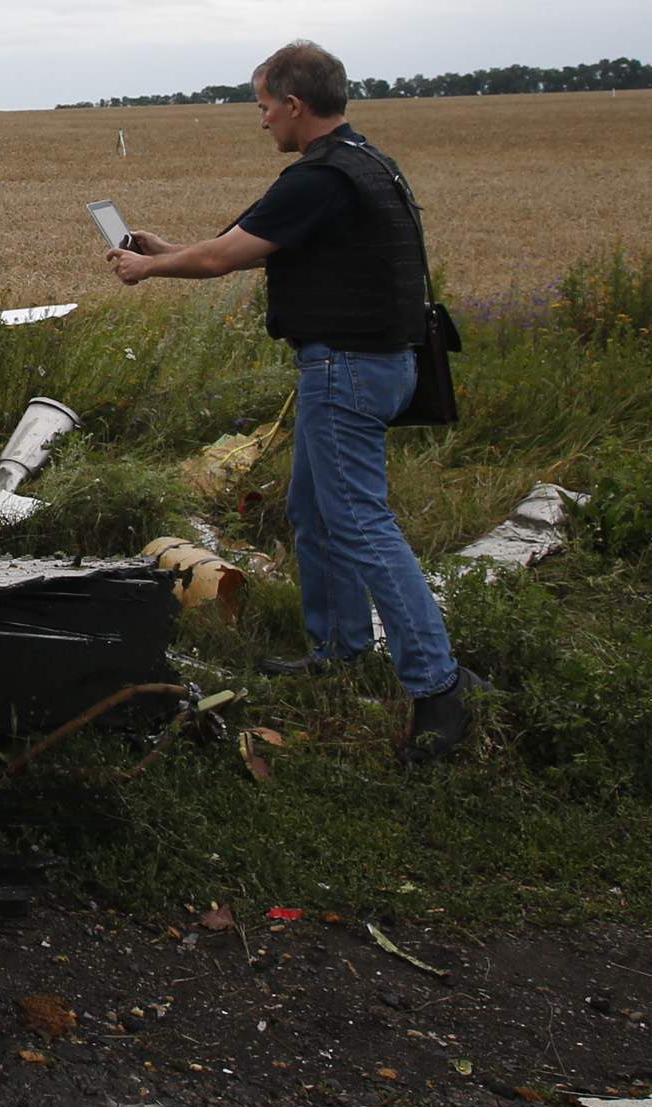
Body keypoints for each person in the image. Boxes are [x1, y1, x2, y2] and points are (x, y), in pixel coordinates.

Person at [103, 41, 484, 762]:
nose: (262, 119)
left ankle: (438, 689)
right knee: (314, 507)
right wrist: (166, 244)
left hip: (346, 372)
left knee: (364, 524)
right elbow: (236, 239)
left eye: (265, 106)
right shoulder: (366, 162)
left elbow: (223, 259)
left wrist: (149, 266)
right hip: (381, 364)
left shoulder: (318, 178)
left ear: (295, 105)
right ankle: (337, 649)